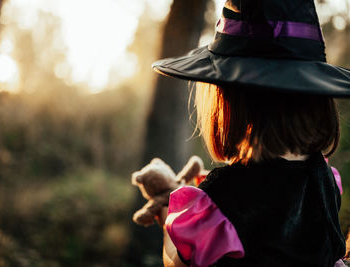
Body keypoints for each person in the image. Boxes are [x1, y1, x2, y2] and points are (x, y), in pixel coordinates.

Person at [150, 0, 350, 266]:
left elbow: (178, 261)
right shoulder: (325, 179)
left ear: (226, 103)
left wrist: (168, 219)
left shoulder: (218, 204)